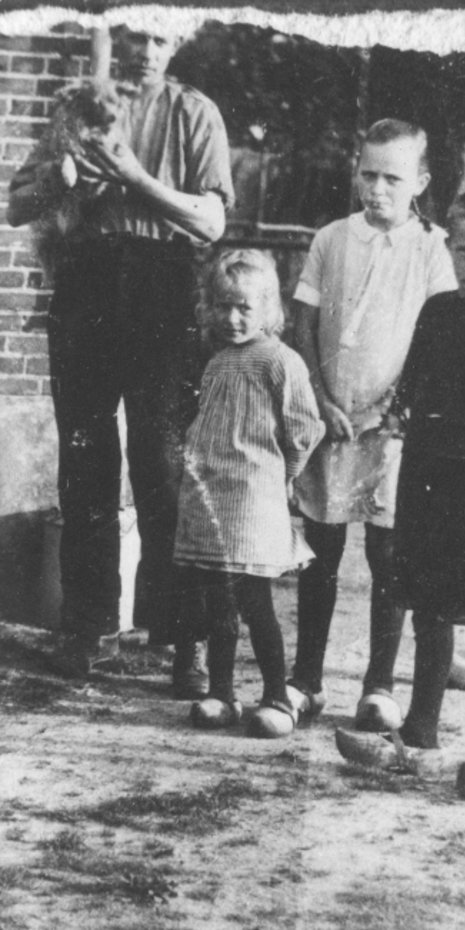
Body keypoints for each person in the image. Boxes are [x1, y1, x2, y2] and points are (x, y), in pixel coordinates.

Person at [7, 28, 235, 696]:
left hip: (161, 286)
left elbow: (211, 223)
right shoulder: (77, 106)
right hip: (85, 284)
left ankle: (182, 637)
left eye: (160, 34)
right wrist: (58, 180)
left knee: (163, 464)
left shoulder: (194, 111)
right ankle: (87, 628)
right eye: (134, 31)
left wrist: (134, 176)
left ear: (179, 38)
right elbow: (17, 205)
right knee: (85, 461)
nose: (146, 49)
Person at [336, 190, 465, 801]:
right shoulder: (437, 312)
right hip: (426, 479)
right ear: (449, 248)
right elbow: (411, 390)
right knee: (428, 605)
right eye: (464, 251)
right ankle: (420, 733)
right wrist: (385, 425)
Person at [290, 118, 456, 731]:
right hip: (331, 419)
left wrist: (391, 407)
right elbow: (303, 324)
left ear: (421, 183)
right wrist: (319, 398)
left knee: (388, 557)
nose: (378, 189)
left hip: (391, 428)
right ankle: (306, 679)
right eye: (368, 175)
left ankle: (379, 685)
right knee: (320, 552)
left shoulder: (432, 248)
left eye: (393, 178)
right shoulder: (332, 238)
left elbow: (437, 335)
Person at [173, 250, 324, 738]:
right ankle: (222, 694)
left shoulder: (280, 361)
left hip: (254, 501)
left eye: (244, 307)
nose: (232, 318)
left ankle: (277, 696)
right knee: (219, 606)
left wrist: (284, 475)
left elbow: (304, 428)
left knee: (256, 604)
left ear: (268, 309)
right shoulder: (216, 361)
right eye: (223, 305)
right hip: (213, 500)